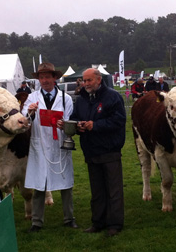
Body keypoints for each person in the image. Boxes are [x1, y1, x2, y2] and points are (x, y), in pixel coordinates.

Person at [22, 62, 78, 232]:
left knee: (65, 183)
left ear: (54, 78)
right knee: (39, 184)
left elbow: (70, 121)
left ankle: (69, 218)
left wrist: (64, 125)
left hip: (59, 143)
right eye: (41, 77)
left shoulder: (65, 98)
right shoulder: (32, 98)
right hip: (39, 145)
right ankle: (37, 222)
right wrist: (30, 112)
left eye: (48, 77)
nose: (44, 80)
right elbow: (24, 121)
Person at [70, 68, 126, 237]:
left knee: (113, 190)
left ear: (98, 80)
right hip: (91, 151)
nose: (85, 84)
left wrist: (95, 125)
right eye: (84, 81)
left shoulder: (112, 96)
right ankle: (98, 222)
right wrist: (77, 125)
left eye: (89, 80)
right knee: (97, 190)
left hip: (110, 150)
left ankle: (115, 224)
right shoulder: (81, 100)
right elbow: (74, 117)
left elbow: (119, 120)